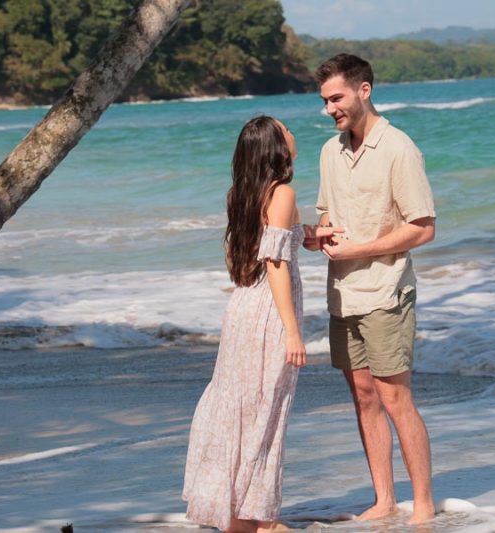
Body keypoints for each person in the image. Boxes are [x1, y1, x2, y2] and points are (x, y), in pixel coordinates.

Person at [182, 116, 341, 533]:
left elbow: (265, 242)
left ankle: (239, 513)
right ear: (275, 145)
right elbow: (274, 264)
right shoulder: (283, 192)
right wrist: (292, 329)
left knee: (241, 409)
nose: (292, 132)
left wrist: (306, 233)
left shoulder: (241, 193)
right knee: (266, 414)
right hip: (269, 313)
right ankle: (262, 520)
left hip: (242, 310)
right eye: (286, 128)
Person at [309, 54, 437, 524]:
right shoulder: (329, 152)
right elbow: (327, 214)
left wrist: (362, 249)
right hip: (343, 294)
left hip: (386, 293)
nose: (329, 109)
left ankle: (423, 504)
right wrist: (318, 233)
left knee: (394, 398)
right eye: (325, 101)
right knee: (363, 397)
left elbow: (423, 228)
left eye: (336, 98)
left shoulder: (400, 148)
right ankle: (384, 499)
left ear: (364, 90)